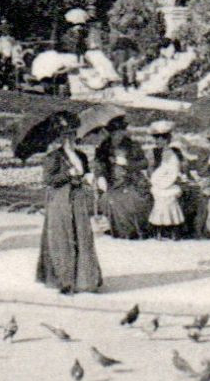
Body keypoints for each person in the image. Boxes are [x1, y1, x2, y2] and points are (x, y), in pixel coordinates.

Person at [36, 113, 103, 294]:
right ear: (60, 138)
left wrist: (89, 177)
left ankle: (84, 280)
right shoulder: (54, 157)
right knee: (62, 238)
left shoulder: (80, 155)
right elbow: (49, 179)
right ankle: (64, 280)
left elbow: (86, 172)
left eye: (73, 134)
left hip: (78, 199)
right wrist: (67, 175)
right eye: (66, 135)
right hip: (60, 201)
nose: (70, 138)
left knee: (81, 236)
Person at [97, 122, 152, 239]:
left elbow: (144, 163)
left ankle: (133, 231)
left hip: (131, 180)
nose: (117, 136)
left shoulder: (132, 145)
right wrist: (100, 176)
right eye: (113, 133)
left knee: (131, 199)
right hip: (112, 181)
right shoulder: (104, 147)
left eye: (120, 132)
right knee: (110, 198)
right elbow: (99, 164)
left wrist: (127, 163)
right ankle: (119, 230)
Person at [146, 120, 187, 239]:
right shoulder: (153, 152)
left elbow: (182, 168)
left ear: (168, 139)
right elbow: (150, 171)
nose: (160, 140)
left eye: (163, 137)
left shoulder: (175, 151)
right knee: (162, 198)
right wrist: (155, 177)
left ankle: (174, 229)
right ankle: (161, 229)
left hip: (173, 180)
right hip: (157, 182)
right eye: (157, 138)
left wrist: (179, 175)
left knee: (172, 198)